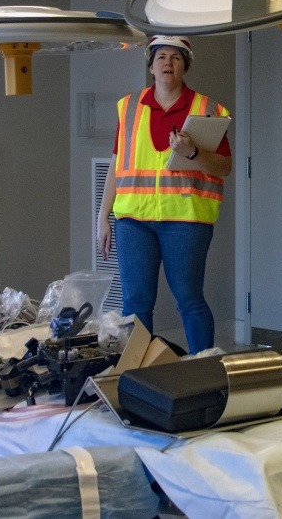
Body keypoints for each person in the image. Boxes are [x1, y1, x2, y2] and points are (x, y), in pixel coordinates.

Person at [97, 35, 232, 355]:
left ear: (185, 65)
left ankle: (204, 373)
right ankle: (141, 378)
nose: (168, 63)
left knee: (189, 299)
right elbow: (117, 163)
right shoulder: (128, 107)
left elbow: (223, 167)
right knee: (136, 304)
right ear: (151, 64)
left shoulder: (208, 109)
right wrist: (103, 215)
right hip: (134, 221)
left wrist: (192, 152)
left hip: (185, 221)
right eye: (161, 57)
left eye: (175, 57)